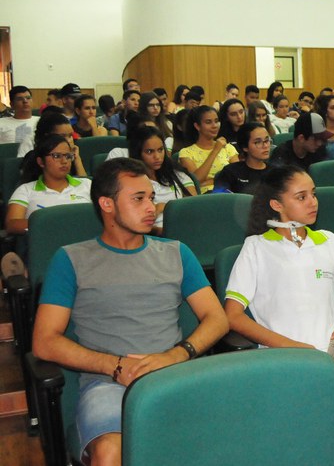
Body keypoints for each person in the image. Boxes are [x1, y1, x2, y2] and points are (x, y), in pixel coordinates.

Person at [31, 157, 228, 465]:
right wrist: (116, 366)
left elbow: (217, 319)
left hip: (176, 375)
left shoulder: (177, 252)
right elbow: (45, 341)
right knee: (111, 451)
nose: (151, 207)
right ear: (107, 204)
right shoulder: (71, 260)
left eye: (151, 197)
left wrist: (176, 355)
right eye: (138, 199)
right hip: (108, 384)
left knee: (229, 436)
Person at [224, 165, 334, 350]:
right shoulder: (256, 247)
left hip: (330, 356)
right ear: (277, 205)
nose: (313, 202)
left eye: (313, 194)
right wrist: (292, 346)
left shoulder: (330, 241)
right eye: (301, 197)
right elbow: (233, 315)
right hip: (284, 357)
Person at [6, 134, 92, 235]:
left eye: (68, 156)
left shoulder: (87, 184)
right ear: (41, 162)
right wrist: (53, 223)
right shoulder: (25, 190)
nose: (64, 161)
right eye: (57, 156)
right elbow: (12, 224)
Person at [128, 126, 196, 234]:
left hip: (185, 230)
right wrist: (163, 231)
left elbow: (194, 206)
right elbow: (134, 224)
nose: (157, 156)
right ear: (138, 153)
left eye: (160, 150)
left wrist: (164, 207)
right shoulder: (131, 182)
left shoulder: (177, 174)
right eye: (149, 152)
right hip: (155, 236)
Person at [178, 105, 239, 193]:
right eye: (208, 122)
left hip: (229, 193)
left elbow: (237, 177)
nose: (214, 126)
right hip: (204, 197)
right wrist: (215, 150)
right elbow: (196, 180)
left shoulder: (228, 148)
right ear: (197, 126)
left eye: (216, 121)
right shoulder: (186, 153)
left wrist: (207, 182)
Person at [18, 111, 87, 176]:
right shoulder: (33, 159)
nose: (68, 141)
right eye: (62, 136)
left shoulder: (71, 157)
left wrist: (77, 158)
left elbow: (85, 183)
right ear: (47, 137)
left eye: (70, 136)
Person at [213, 122, 272, 194]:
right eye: (258, 142)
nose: (265, 146)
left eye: (267, 140)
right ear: (245, 147)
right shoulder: (230, 172)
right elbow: (220, 197)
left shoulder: (276, 173)